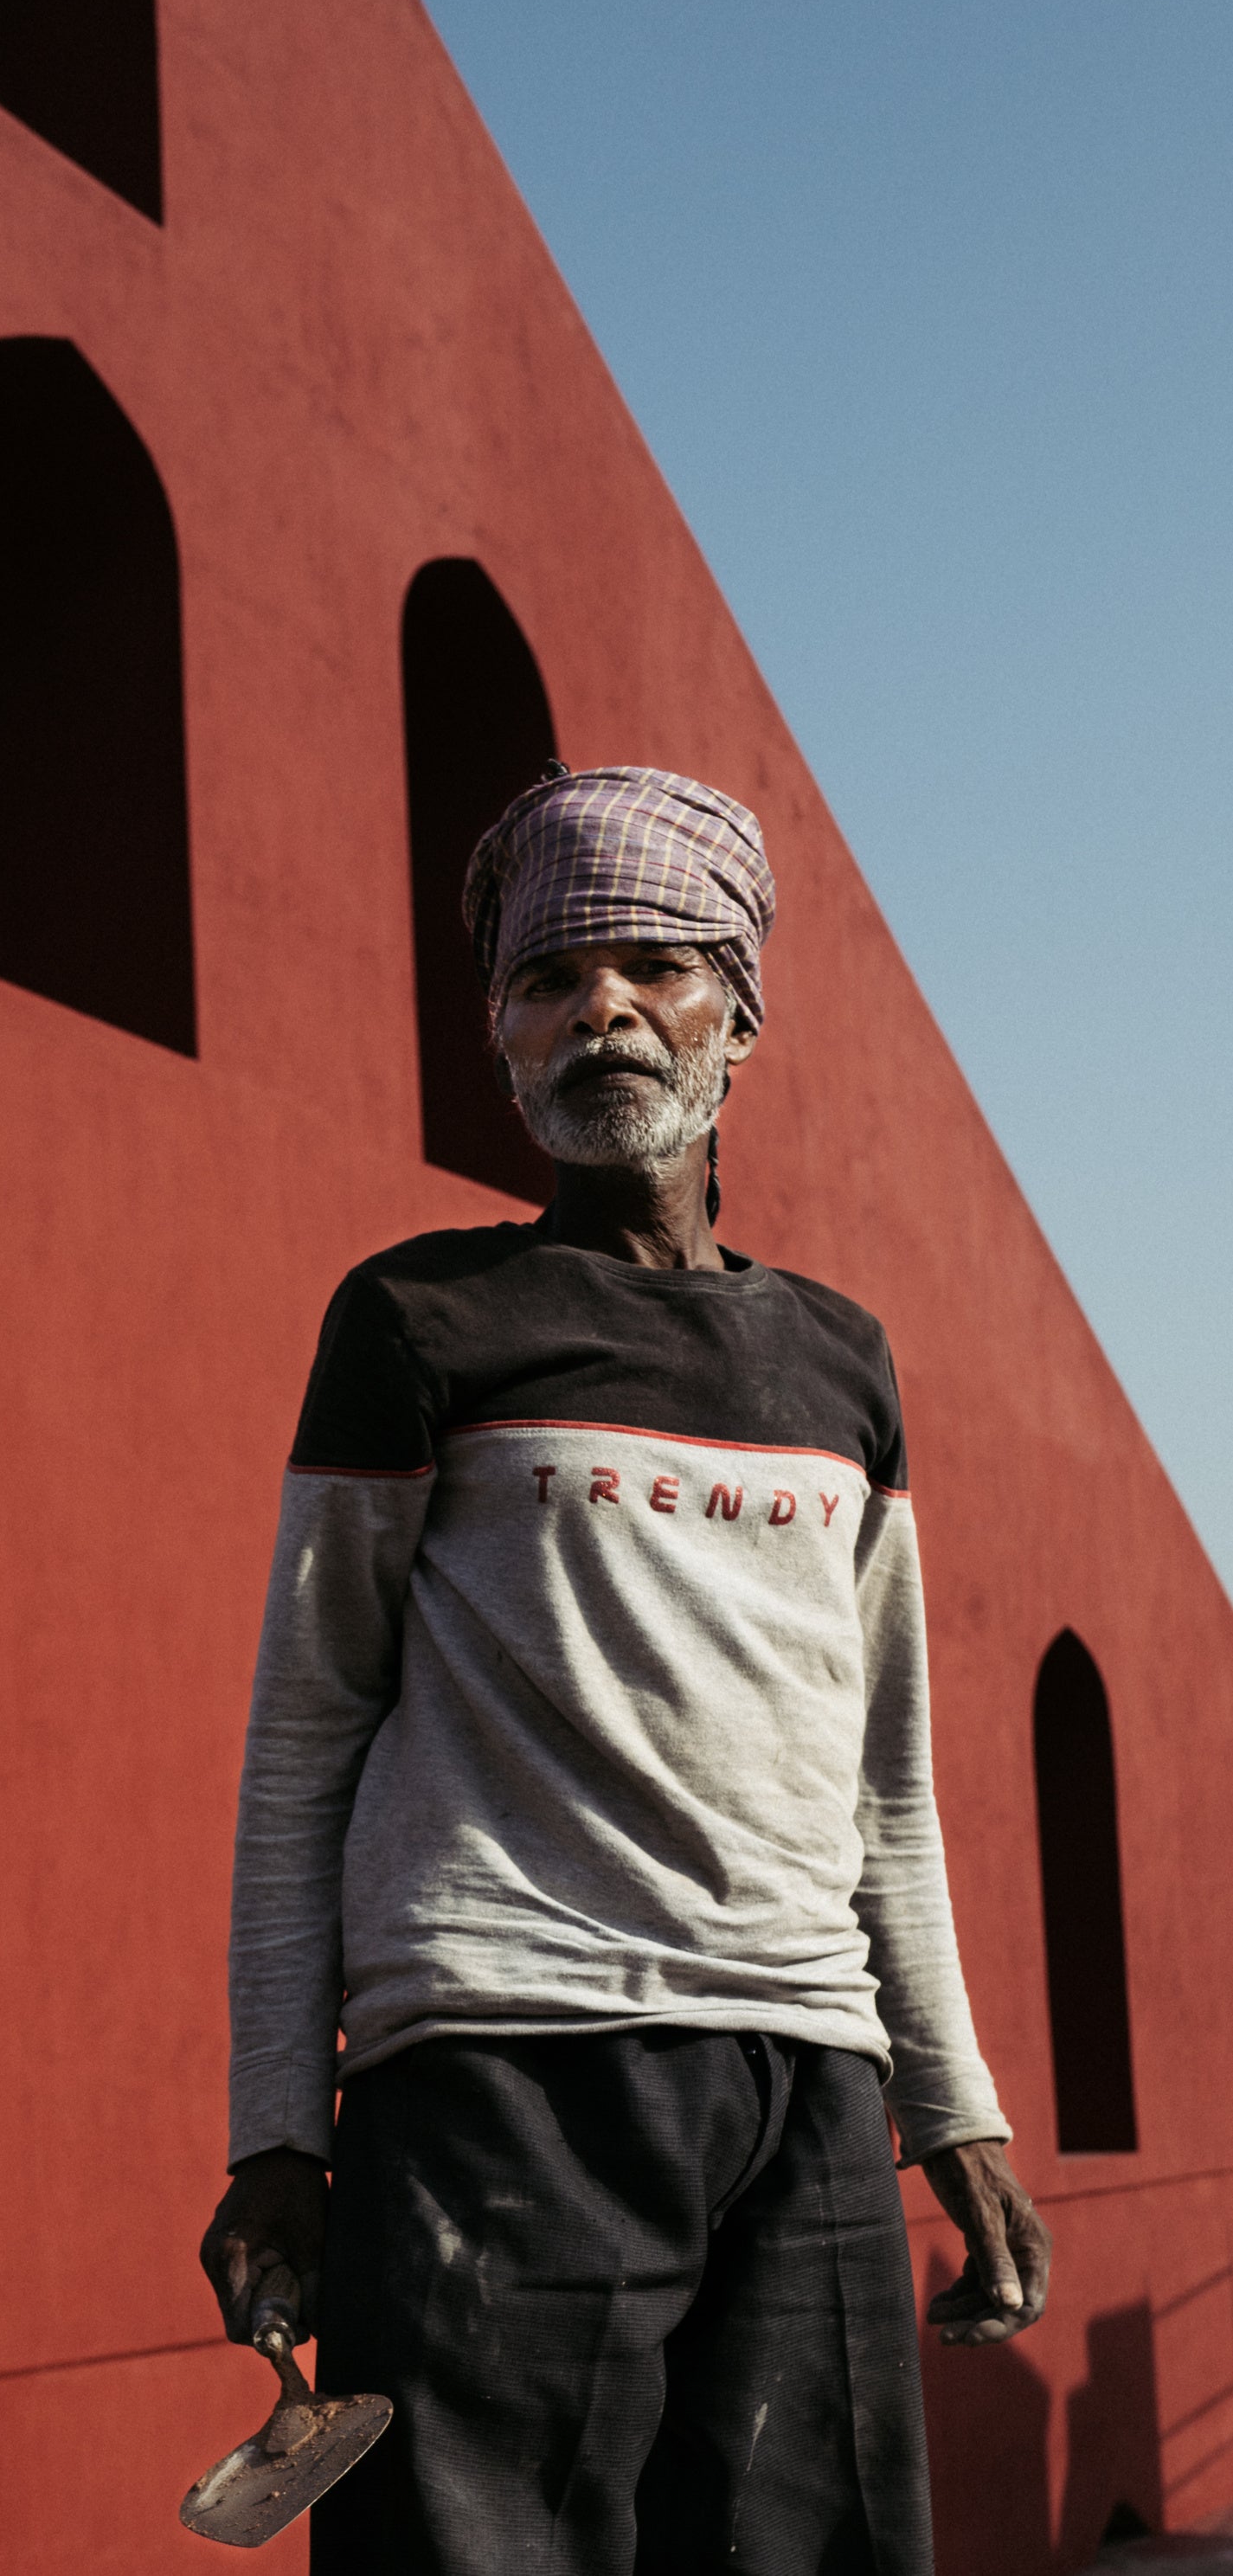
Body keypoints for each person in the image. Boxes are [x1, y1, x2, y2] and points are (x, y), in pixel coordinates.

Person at [200, 762, 1049, 2574]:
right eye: (548, 976)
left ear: (740, 1010)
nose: (601, 1009)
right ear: (499, 1031)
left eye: (657, 962)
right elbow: (305, 1739)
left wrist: (949, 2100)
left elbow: (884, 1778)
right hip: (497, 2069)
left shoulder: (842, 1365)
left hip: (807, 2088)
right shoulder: (420, 1323)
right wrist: (277, 2128)